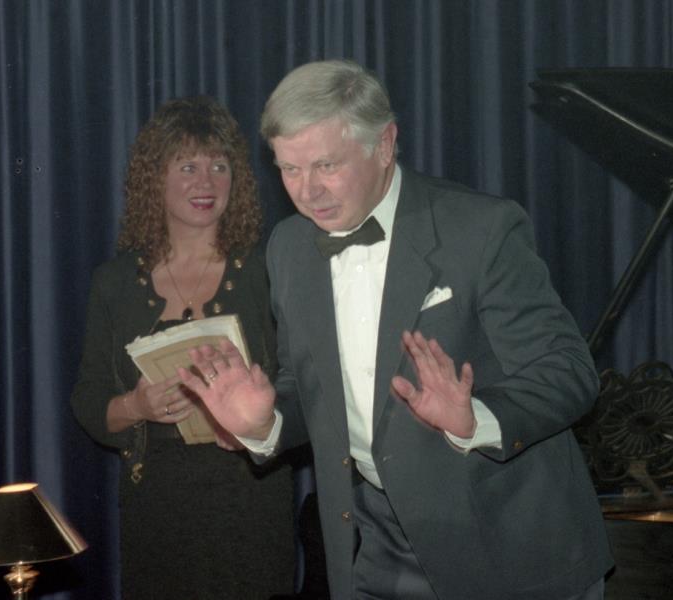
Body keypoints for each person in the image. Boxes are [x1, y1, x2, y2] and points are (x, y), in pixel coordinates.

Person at [178, 60, 614, 599]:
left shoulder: (478, 229)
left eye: (326, 165)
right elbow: (308, 388)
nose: (307, 191)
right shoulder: (289, 247)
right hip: (377, 543)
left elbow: (569, 372)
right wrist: (265, 423)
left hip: (509, 546)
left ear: (384, 145)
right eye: (289, 169)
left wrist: (475, 416)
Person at [70, 96, 295, 599]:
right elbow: (88, 399)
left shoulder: (268, 271)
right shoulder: (114, 282)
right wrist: (137, 405)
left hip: (251, 502)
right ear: (155, 179)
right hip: (158, 509)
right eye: (188, 166)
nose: (206, 182)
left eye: (219, 166)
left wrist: (255, 411)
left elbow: (301, 386)